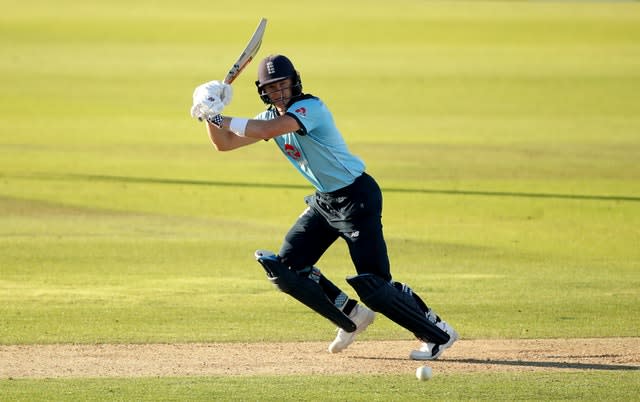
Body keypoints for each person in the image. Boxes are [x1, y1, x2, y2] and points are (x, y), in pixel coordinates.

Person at [190, 54, 458, 360]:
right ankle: (351, 316)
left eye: (284, 85)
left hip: (357, 197)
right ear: (263, 91)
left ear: (294, 82)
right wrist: (211, 111)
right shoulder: (267, 118)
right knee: (287, 267)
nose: (279, 92)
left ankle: (438, 333)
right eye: (272, 87)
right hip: (325, 201)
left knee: (375, 285)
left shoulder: (309, 108)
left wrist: (213, 114)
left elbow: (267, 131)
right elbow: (224, 143)